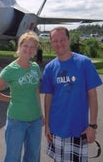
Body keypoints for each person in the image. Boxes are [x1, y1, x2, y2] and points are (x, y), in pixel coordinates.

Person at [40, 26, 102, 162]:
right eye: (55, 41)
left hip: (79, 129)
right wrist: (48, 126)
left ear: (69, 40)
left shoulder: (84, 62)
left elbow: (93, 95)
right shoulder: (50, 68)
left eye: (62, 39)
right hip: (56, 129)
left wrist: (92, 126)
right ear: (51, 43)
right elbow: (48, 98)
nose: (59, 43)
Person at [0, 31, 43, 162]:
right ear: (19, 47)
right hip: (16, 121)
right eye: (26, 45)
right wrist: (10, 99)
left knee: (33, 156)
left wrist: (41, 113)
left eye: (32, 47)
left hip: (36, 120)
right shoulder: (10, 69)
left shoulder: (35, 67)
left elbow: (36, 91)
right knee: (13, 157)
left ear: (35, 50)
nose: (28, 49)